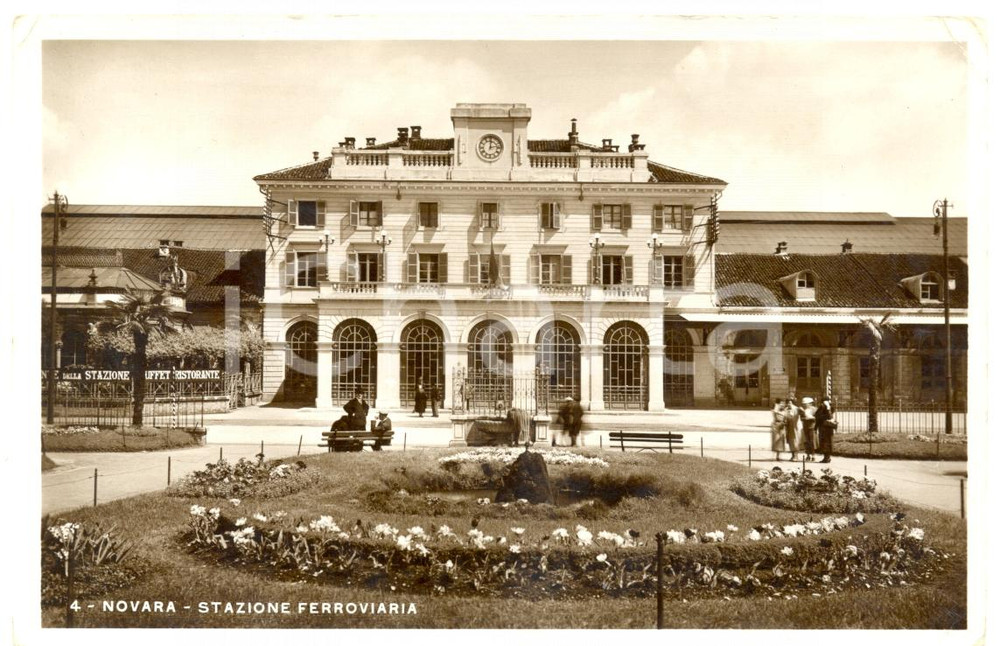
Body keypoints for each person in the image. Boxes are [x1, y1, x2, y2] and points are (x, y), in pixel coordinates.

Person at [815, 396, 837, 463]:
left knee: (827, 443)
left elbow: (828, 416)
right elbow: (817, 416)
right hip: (823, 428)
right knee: (824, 443)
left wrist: (827, 408)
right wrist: (816, 427)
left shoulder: (829, 408)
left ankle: (827, 457)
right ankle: (826, 457)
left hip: (826, 428)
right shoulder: (822, 408)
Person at [784, 396, 803, 462]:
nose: (789, 404)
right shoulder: (786, 409)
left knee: (795, 441)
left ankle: (796, 456)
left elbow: (802, 415)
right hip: (789, 427)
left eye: (790, 403)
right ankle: (792, 455)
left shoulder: (796, 409)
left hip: (795, 427)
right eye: (788, 403)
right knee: (790, 441)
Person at [800, 397, 818, 461]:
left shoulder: (814, 409)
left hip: (812, 427)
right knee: (806, 441)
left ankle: (813, 455)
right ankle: (808, 455)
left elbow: (817, 418)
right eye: (804, 404)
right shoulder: (803, 410)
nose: (804, 405)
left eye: (806, 404)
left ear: (810, 403)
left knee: (812, 441)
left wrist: (811, 418)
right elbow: (801, 418)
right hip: (805, 426)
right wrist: (804, 418)